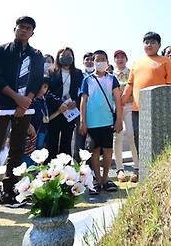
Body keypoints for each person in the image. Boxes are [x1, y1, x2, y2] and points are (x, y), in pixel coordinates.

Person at [0, 16, 44, 218]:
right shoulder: (1, 50)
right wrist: (16, 98)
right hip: (2, 103)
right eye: (21, 27)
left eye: (28, 28)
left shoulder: (36, 55)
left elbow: (38, 79)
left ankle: (9, 193)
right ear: (15, 28)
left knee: (17, 151)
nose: (23, 30)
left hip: (25, 108)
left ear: (32, 32)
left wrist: (26, 100)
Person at [121, 32, 171, 157]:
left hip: (158, 109)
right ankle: (143, 165)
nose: (149, 45)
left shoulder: (166, 62)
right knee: (138, 136)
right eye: (147, 42)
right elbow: (130, 84)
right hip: (138, 108)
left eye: (153, 42)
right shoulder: (137, 63)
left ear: (159, 45)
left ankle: (160, 165)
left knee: (159, 138)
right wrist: (122, 100)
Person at [79, 50, 123, 194]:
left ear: (107, 62)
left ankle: (105, 179)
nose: (99, 62)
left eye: (103, 59)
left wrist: (119, 120)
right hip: (92, 122)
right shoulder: (87, 79)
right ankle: (97, 180)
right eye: (97, 59)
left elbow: (118, 100)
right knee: (95, 151)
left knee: (108, 150)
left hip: (107, 121)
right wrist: (82, 121)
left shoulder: (112, 79)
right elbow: (83, 101)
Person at [45, 47, 83, 163]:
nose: (66, 57)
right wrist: (59, 104)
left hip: (70, 112)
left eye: (69, 54)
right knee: (52, 141)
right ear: (58, 57)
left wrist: (76, 101)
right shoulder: (51, 72)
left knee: (66, 142)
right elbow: (47, 91)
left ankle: (66, 171)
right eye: (63, 55)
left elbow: (82, 91)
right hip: (55, 112)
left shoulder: (77, 73)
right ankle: (51, 171)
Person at [111, 50, 139, 183]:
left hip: (130, 106)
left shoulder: (132, 72)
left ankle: (137, 167)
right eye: (117, 57)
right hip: (116, 108)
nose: (120, 59)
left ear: (126, 59)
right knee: (118, 136)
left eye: (122, 57)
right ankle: (119, 168)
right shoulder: (110, 75)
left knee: (131, 135)